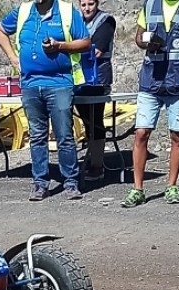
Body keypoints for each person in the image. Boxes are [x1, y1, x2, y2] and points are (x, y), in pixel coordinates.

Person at [0, 0, 91, 201]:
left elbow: (85, 42)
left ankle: (71, 182)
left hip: (59, 83)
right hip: (30, 84)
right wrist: (13, 58)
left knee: (64, 135)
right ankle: (40, 183)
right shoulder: (23, 11)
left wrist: (61, 46)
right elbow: (0, 30)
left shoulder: (66, 12)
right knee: (37, 135)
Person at [121, 0, 179, 207]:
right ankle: (137, 189)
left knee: (176, 135)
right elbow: (138, 36)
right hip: (151, 80)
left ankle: (172, 186)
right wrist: (146, 43)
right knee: (141, 133)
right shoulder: (150, 4)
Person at [75, 0, 115, 182]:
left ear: (97, 4)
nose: (87, 8)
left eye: (90, 4)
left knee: (95, 121)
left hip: (98, 80)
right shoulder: (76, 20)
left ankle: (97, 165)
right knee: (84, 121)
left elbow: (96, 50)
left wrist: (69, 47)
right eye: (83, 4)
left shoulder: (107, 21)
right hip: (78, 80)